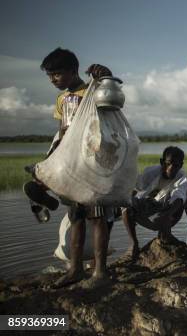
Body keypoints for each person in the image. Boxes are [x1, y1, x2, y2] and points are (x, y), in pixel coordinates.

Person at [23, 48, 115, 289]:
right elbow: (63, 132)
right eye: (50, 76)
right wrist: (50, 160)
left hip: (93, 163)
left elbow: (112, 99)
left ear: (73, 71)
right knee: (76, 217)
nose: (53, 79)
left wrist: (105, 76)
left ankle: (100, 272)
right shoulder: (62, 100)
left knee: (97, 217)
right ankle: (75, 269)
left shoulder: (93, 90)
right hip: (72, 163)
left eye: (57, 74)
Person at [122, 146, 187, 261]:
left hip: (166, 212)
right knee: (126, 206)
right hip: (148, 207)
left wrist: (166, 215)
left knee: (179, 203)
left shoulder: (182, 177)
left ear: (181, 166)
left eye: (176, 165)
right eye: (168, 164)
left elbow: (178, 198)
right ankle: (134, 244)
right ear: (162, 162)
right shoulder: (150, 172)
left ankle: (166, 234)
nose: (171, 168)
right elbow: (137, 188)